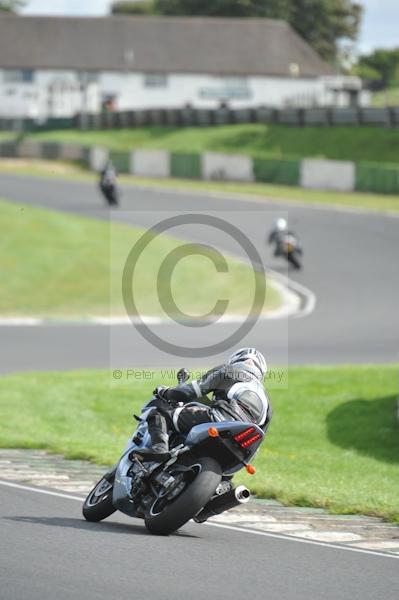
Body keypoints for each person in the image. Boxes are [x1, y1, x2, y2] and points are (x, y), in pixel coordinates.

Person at [135, 347, 272, 460]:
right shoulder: (267, 400)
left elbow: (189, 392)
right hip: (244, 445)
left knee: (160, 408)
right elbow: (261, 435)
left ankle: (159, 449)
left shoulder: (228, 370)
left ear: (235, 360)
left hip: (221, 420)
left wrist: (165, 392)